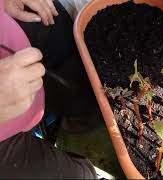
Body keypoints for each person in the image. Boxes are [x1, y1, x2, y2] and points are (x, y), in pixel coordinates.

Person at [0, 0, 98, 178]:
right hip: (4, 136)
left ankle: (66, 122)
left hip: (10, 32)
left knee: (89, 88)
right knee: (81, 175)